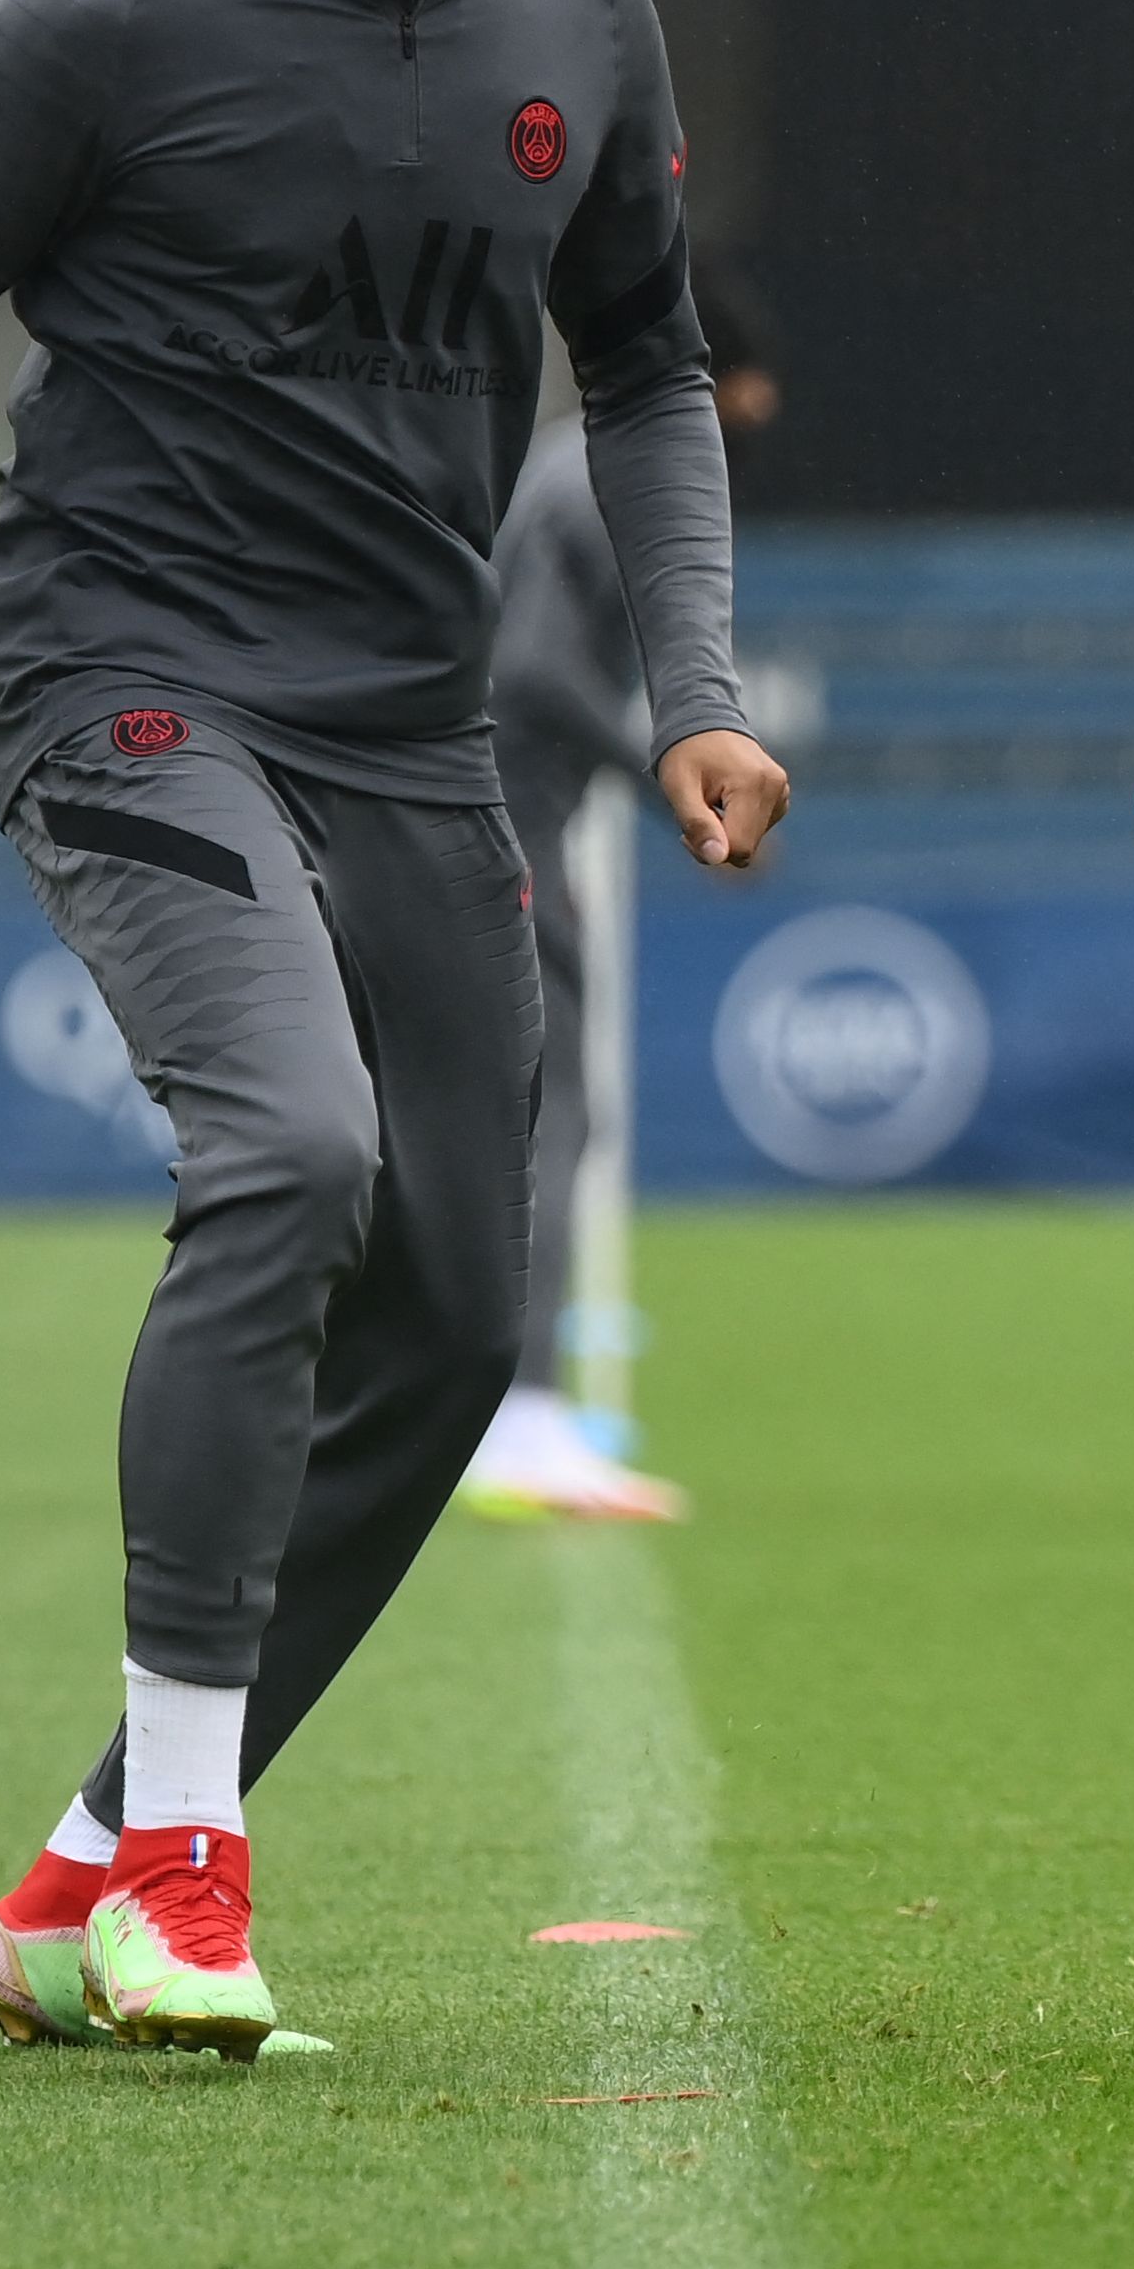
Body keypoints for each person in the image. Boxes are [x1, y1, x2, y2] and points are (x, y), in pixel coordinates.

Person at [0, 0, 790, 2059]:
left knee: (458, 1311)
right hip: (127, 676)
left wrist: (689, 679)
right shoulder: (103, 17)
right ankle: (193, 1878)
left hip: (406, 722)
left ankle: (84, 1860)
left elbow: (647, 366)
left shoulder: (589, 6)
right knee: (292, 1161)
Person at [459, 275, 790, 1524]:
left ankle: (492, 1404)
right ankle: (522, 1417)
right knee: (551, 1118)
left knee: (499, 1120)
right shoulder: (608, 478)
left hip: (485, 805)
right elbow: (534, 666)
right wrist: (670, 775)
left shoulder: (562, 464)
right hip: (506, 815)